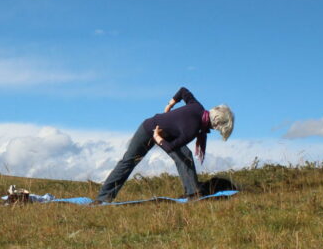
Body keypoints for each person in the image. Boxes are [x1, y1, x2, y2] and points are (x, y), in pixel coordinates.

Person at [95, 87, 234, 203]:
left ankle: (193, 193)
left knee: (185, 155)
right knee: (128, 161)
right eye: (217, 129)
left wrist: (170, 104)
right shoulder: (192, 129)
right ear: (216, 123)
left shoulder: (198, 107)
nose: (214, 130)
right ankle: (102, 199)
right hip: (148, 129)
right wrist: (156, 137)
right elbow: (171, 147)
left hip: (165, 133)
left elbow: (183, 91)